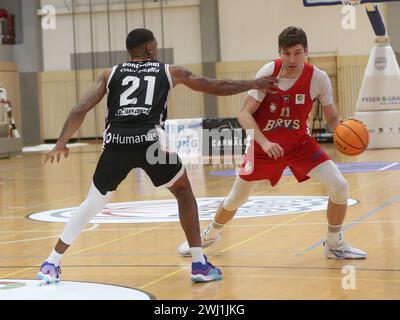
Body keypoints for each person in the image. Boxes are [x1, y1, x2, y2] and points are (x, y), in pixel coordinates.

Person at [37, 28, 275, 284]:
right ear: (150, 47)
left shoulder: (110, 74)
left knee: (91, 204)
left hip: (116, 143)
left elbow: (80, 108)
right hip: (150, 144)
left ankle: (52, 261)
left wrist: (61, 142)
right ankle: (199, 263)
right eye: (156, 45)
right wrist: (253, 84)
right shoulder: (170, 71)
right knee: (184, 193)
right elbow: (216, 86)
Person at [178, 26, 367, 260]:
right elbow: (244, 114)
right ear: (279, 52)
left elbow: (332, 120)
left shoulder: (318, 78)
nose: (292, 59)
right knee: (236, 198)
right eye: (286, 53)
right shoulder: (269, 73)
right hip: (262, 147)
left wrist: (346, 129)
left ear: (307, 51)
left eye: (298, 52)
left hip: (300, 145)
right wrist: (265, 142)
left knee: (340, 187)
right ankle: (209, 235)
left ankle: (334, 242)